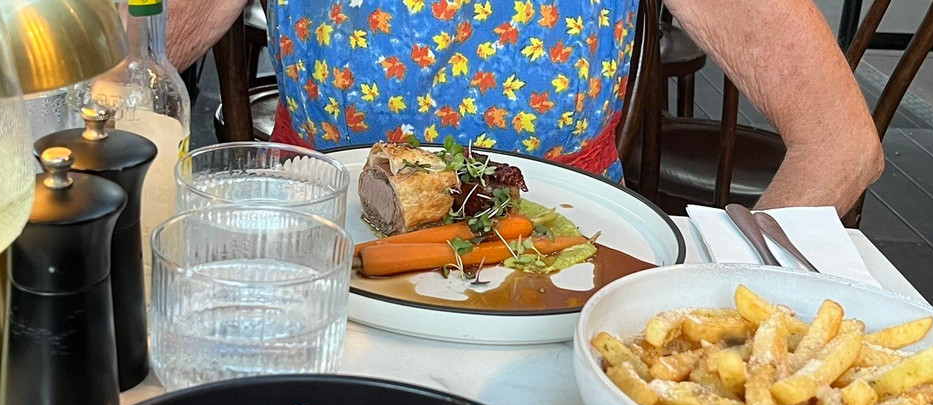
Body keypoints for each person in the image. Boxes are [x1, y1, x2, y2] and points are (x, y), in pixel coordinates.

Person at [167, 0, 883, 216]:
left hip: (561, 286)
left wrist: (725, 311)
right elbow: (127, 72)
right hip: (322, 277)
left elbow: (841, 143)